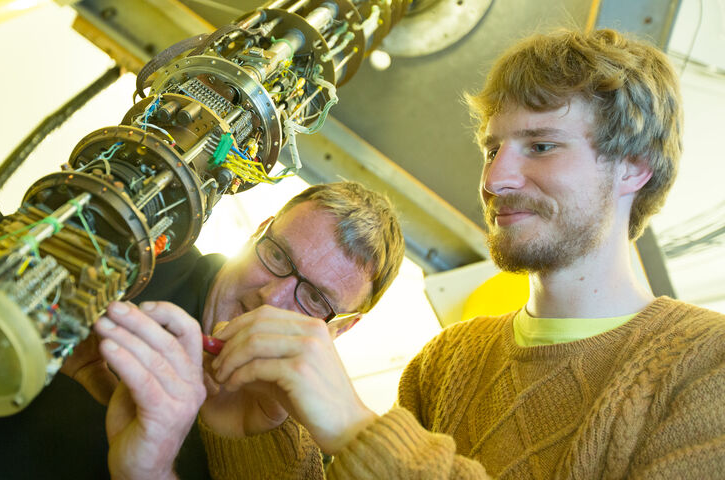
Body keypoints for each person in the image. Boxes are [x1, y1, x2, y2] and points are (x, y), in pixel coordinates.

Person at [114, 28, 724, 478]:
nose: (495, 179)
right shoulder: (446, 363)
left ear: (633, 169)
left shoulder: (706, 366)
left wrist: (356, 428)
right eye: (492, 149)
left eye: (539, 146)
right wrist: (249, 433)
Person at [0, 181, 405, 479]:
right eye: (276, 256)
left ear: (341, 329)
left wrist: (151, 467)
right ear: (257, 231)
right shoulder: (145, 248)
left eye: (313, 299)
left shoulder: (283, 458)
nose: (268, 297)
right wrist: (7, 294)